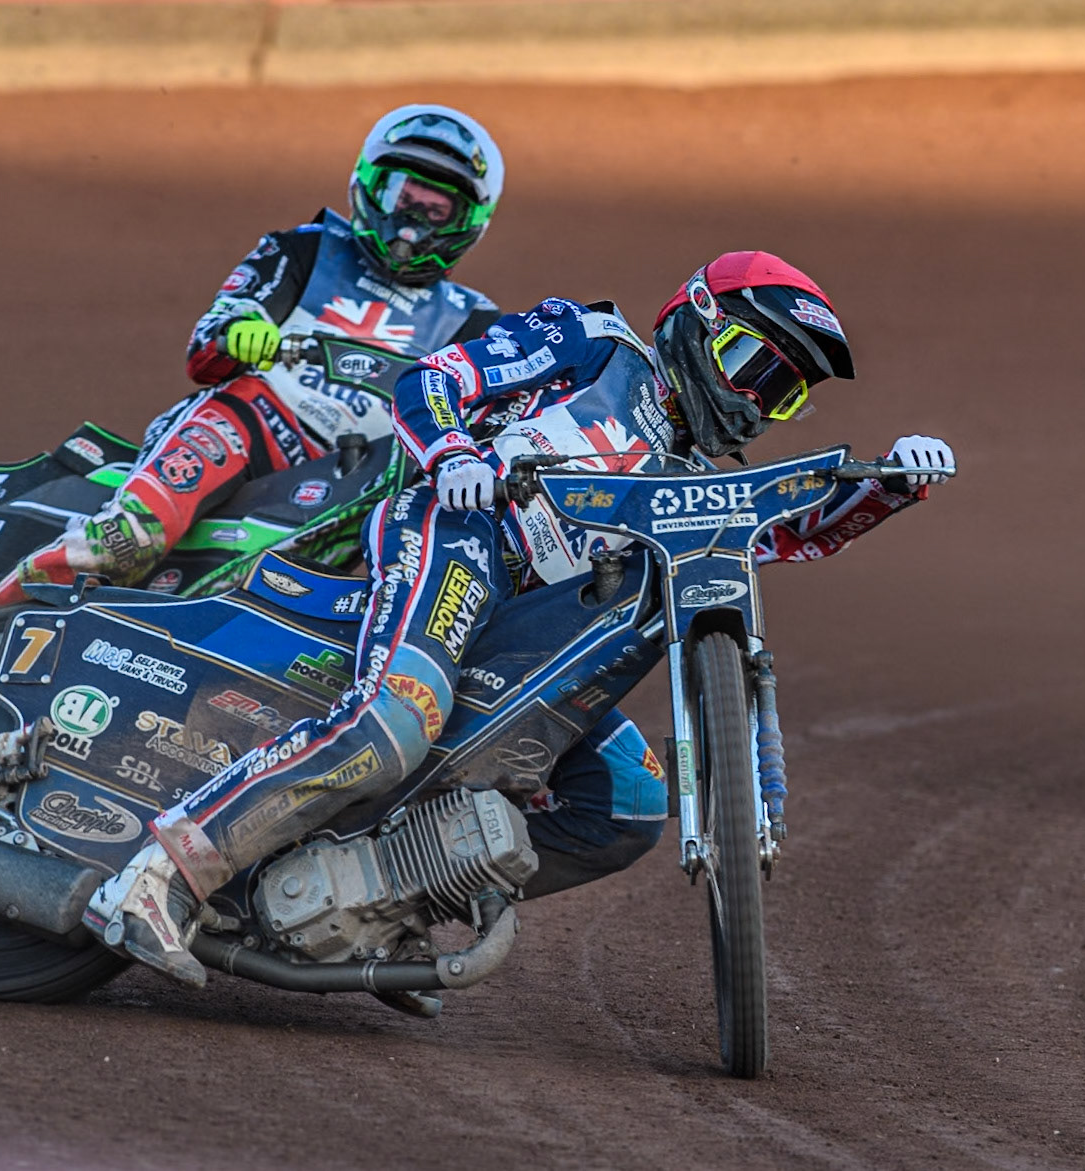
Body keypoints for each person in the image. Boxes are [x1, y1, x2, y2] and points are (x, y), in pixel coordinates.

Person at [84, 250, 957, 987]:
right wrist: (456, 452)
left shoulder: (700, 472)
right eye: (753, 366)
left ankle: (386, 907)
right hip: (464, 540)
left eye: (787, 395)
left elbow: (778, 538)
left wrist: (889, 491)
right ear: (694, 320)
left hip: (548, 625)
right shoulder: (590, 341)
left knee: (629, 803)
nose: (759, 403)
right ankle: (157, 875)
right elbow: (434, 381)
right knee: (394, 724)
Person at [0, 104, 506, 613]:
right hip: (249, 425)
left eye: (436, 209)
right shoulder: (305, 248)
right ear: (369, 185)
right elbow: (214, 335)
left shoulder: (473, 320)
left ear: (469, 222)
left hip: (361, 478)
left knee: (395, 585)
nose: (412, 222)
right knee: (122, 542)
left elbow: (493, 414)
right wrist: (240, 332)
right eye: (402, 196)